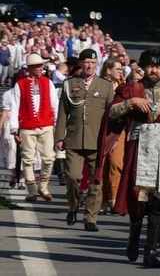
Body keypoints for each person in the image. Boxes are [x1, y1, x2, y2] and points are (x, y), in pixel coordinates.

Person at [98, 48, 160, 267]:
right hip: (140, 148)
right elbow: (110, 113)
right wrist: (131, 103)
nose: (154, 70)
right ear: (143, 68)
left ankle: (151, 251)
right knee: (139, 200)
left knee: (158, 203)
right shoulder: (131, 89)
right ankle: (134, 238)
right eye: (150, 66)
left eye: (158, 67)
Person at [54, 49, 115, 231]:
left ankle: (91, 218)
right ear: (80, 64)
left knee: (96, 182)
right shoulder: (70, 83)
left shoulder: (105, 85)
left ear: (97, 64)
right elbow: (63, 112)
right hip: (74, 138)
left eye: (92, 63)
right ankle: (73, 206)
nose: (89, 65)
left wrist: (112, 138)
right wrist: (59, 137)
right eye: (86, 62)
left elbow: (111, 114)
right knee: (72, 176)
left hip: (97, 140)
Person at [10, 53, 58, 201]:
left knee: (49, 158)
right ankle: (32, 192)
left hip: (46, 125)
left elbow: (54, 103)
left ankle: (43, 187)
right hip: (27, 126)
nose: (40, 68)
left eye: (41, 65)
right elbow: (14, 106)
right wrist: (14, 129)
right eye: (37, 66)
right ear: (30, 68)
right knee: (28, 159)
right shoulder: (20, 84)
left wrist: (56, 123)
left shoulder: (47, 82)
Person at [98, 57, 125, 214]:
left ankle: (115, 199)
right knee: (102, 165)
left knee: (116, 163)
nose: (121, 72)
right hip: (103, 129)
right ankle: (101, 200)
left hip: (119, 130)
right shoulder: (100, 86)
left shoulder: (124, 87)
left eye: (122, 69)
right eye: (118, 69)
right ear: (108, 70)